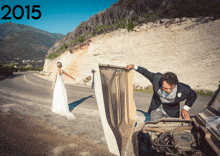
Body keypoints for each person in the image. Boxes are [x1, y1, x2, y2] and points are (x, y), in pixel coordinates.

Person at [126, 64, 197, 121]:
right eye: (165, 88)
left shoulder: (183, 88)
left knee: (170, 130)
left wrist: (185, 109)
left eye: (170, 89)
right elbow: (145, 72)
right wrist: (134, 66)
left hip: (172, 111)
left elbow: (193, 95)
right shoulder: (156, 79)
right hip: (156, 108)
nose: (167, 91)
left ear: (174, 85)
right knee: (153, 127)